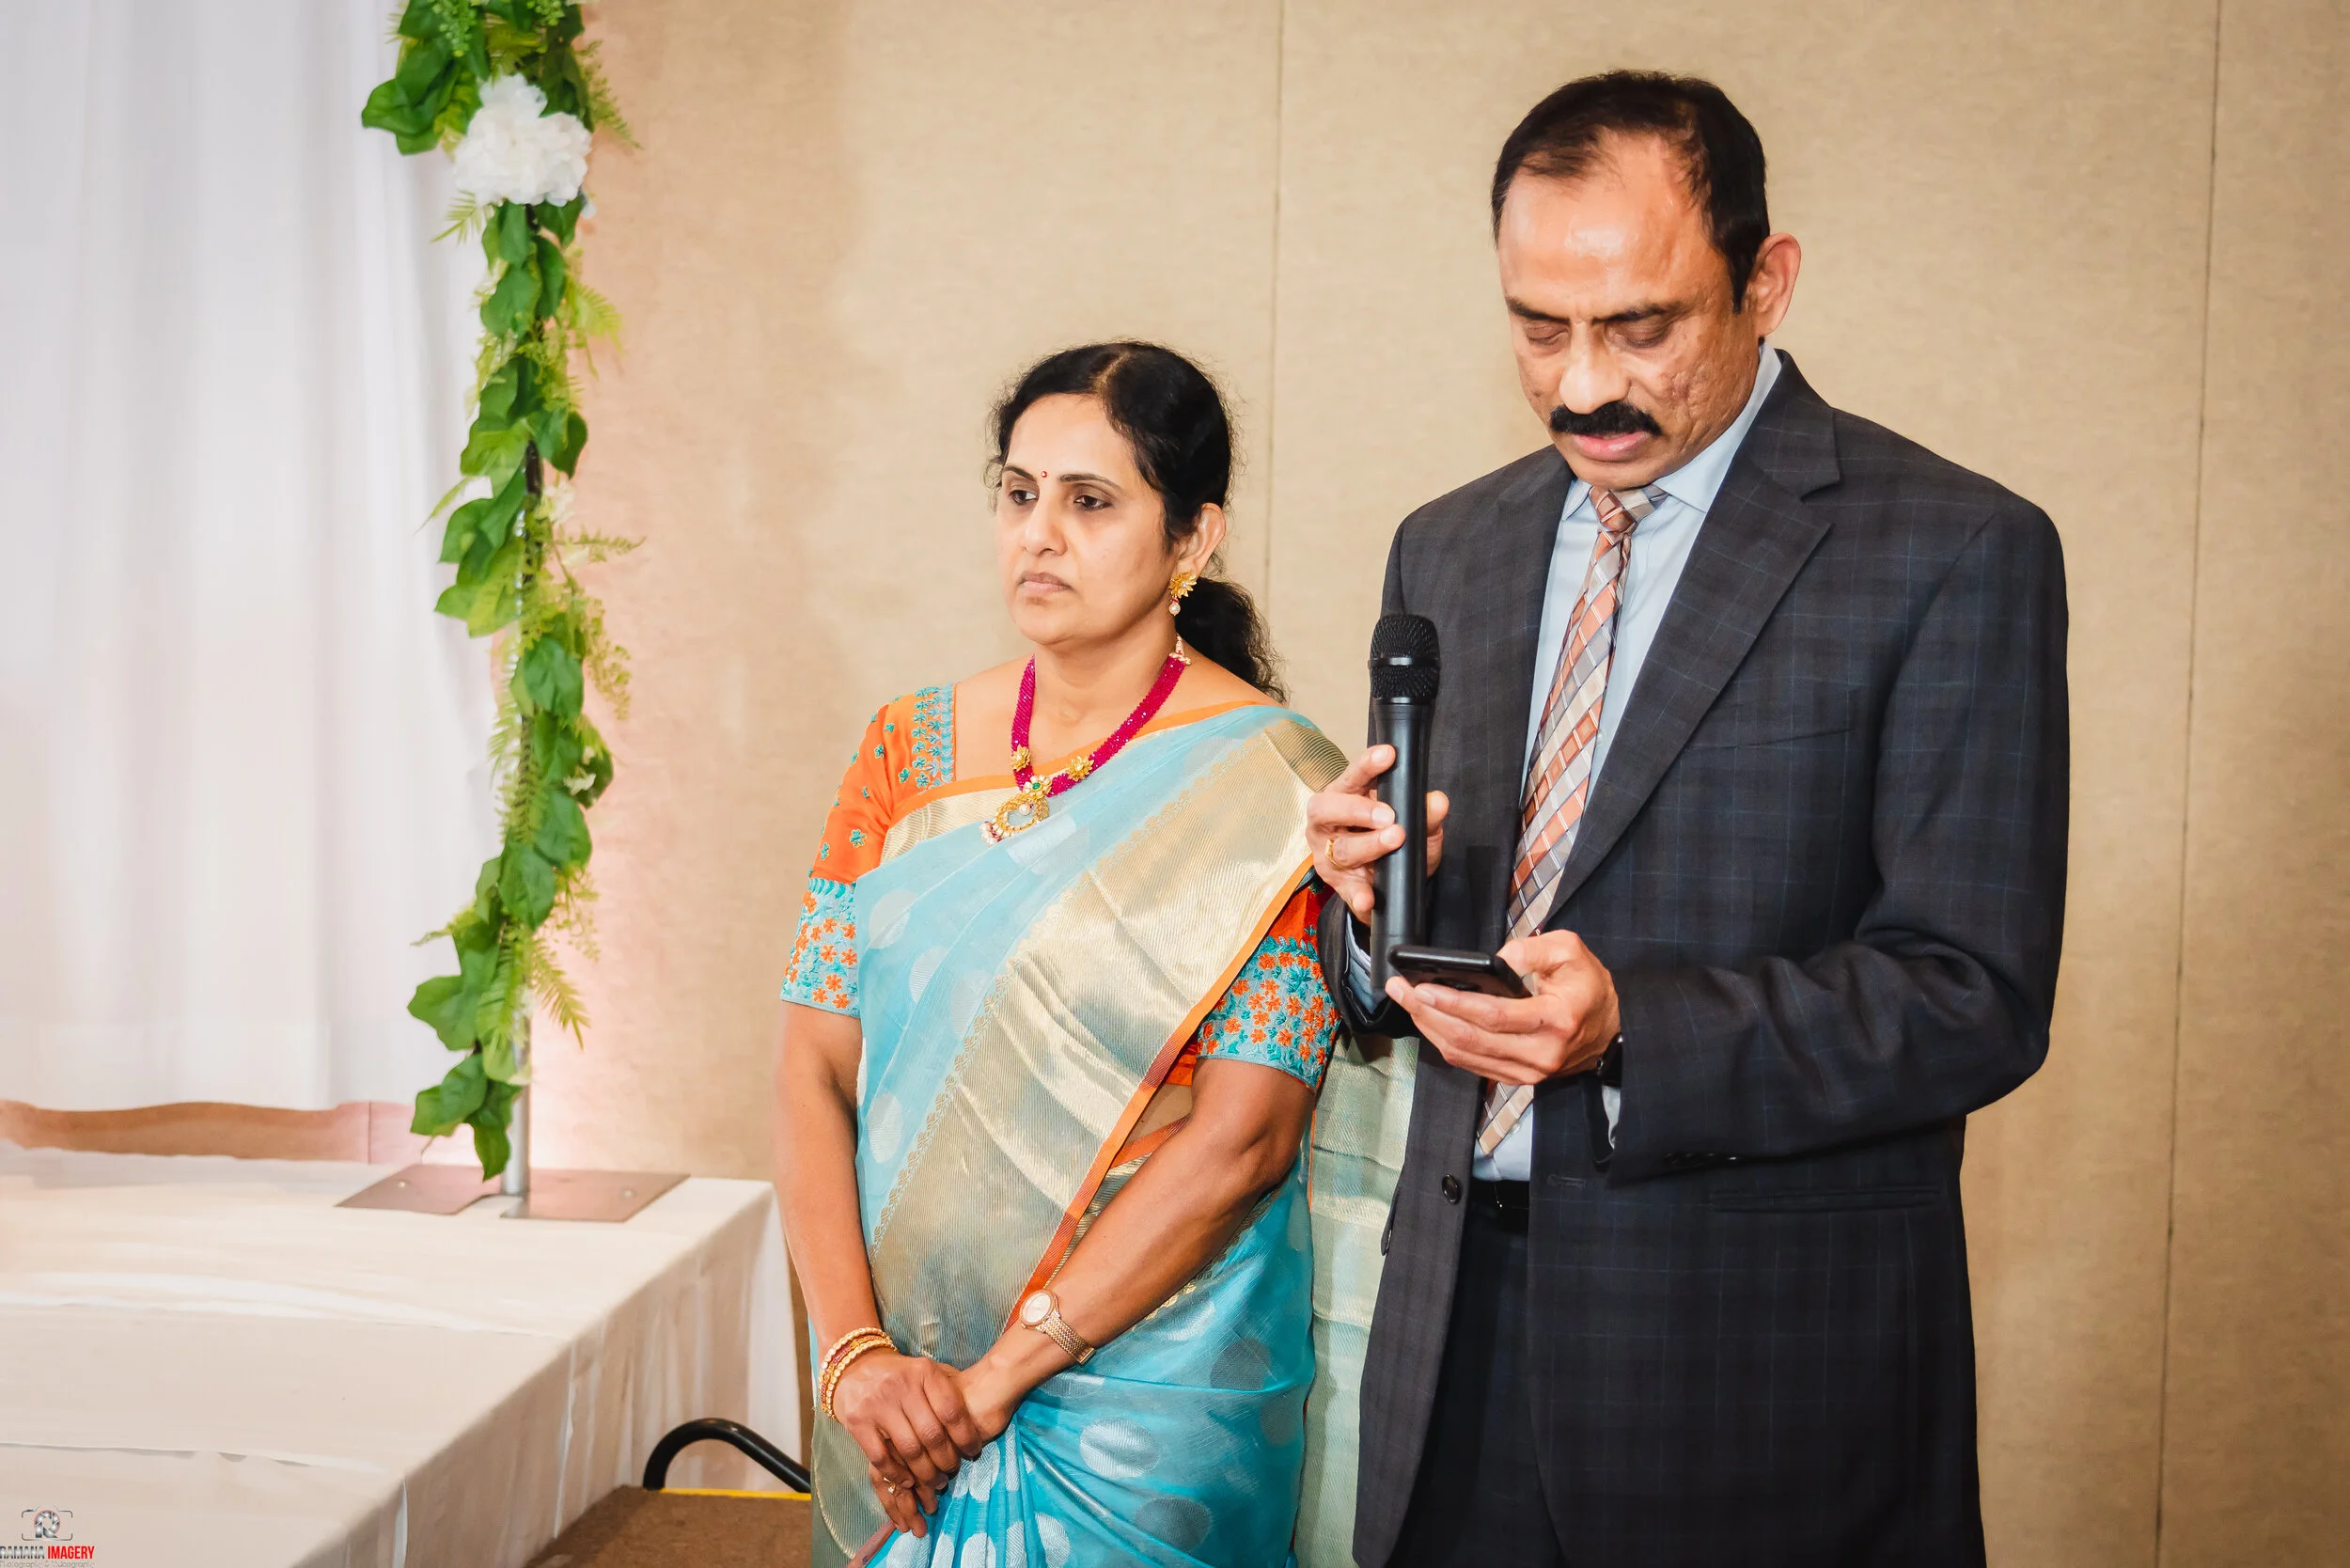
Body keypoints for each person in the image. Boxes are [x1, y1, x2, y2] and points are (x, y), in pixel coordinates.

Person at [1308, 72, 2069, 1567]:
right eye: (1539, 328)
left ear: (1765, 281)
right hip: (1450, 1350)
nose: (1582, 384)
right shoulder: (1449, 546)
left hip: (1758, 1380)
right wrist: (1370, 913)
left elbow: (1973, 995)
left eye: (1640, 327)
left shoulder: (1951, 549)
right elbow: (1414, 978)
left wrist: (1632, 1030)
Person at [773, 342, 1352, 1567]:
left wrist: (996, 1381)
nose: (1039, 534)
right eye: (1019, 492)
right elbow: (813, 1067)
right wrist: (857, 1357)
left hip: (1151, 1403)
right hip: (897, 1396)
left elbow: (1245, 1142)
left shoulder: (1277, 786)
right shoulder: (906, 752)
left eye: (1091, 501)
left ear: (1194, 538)